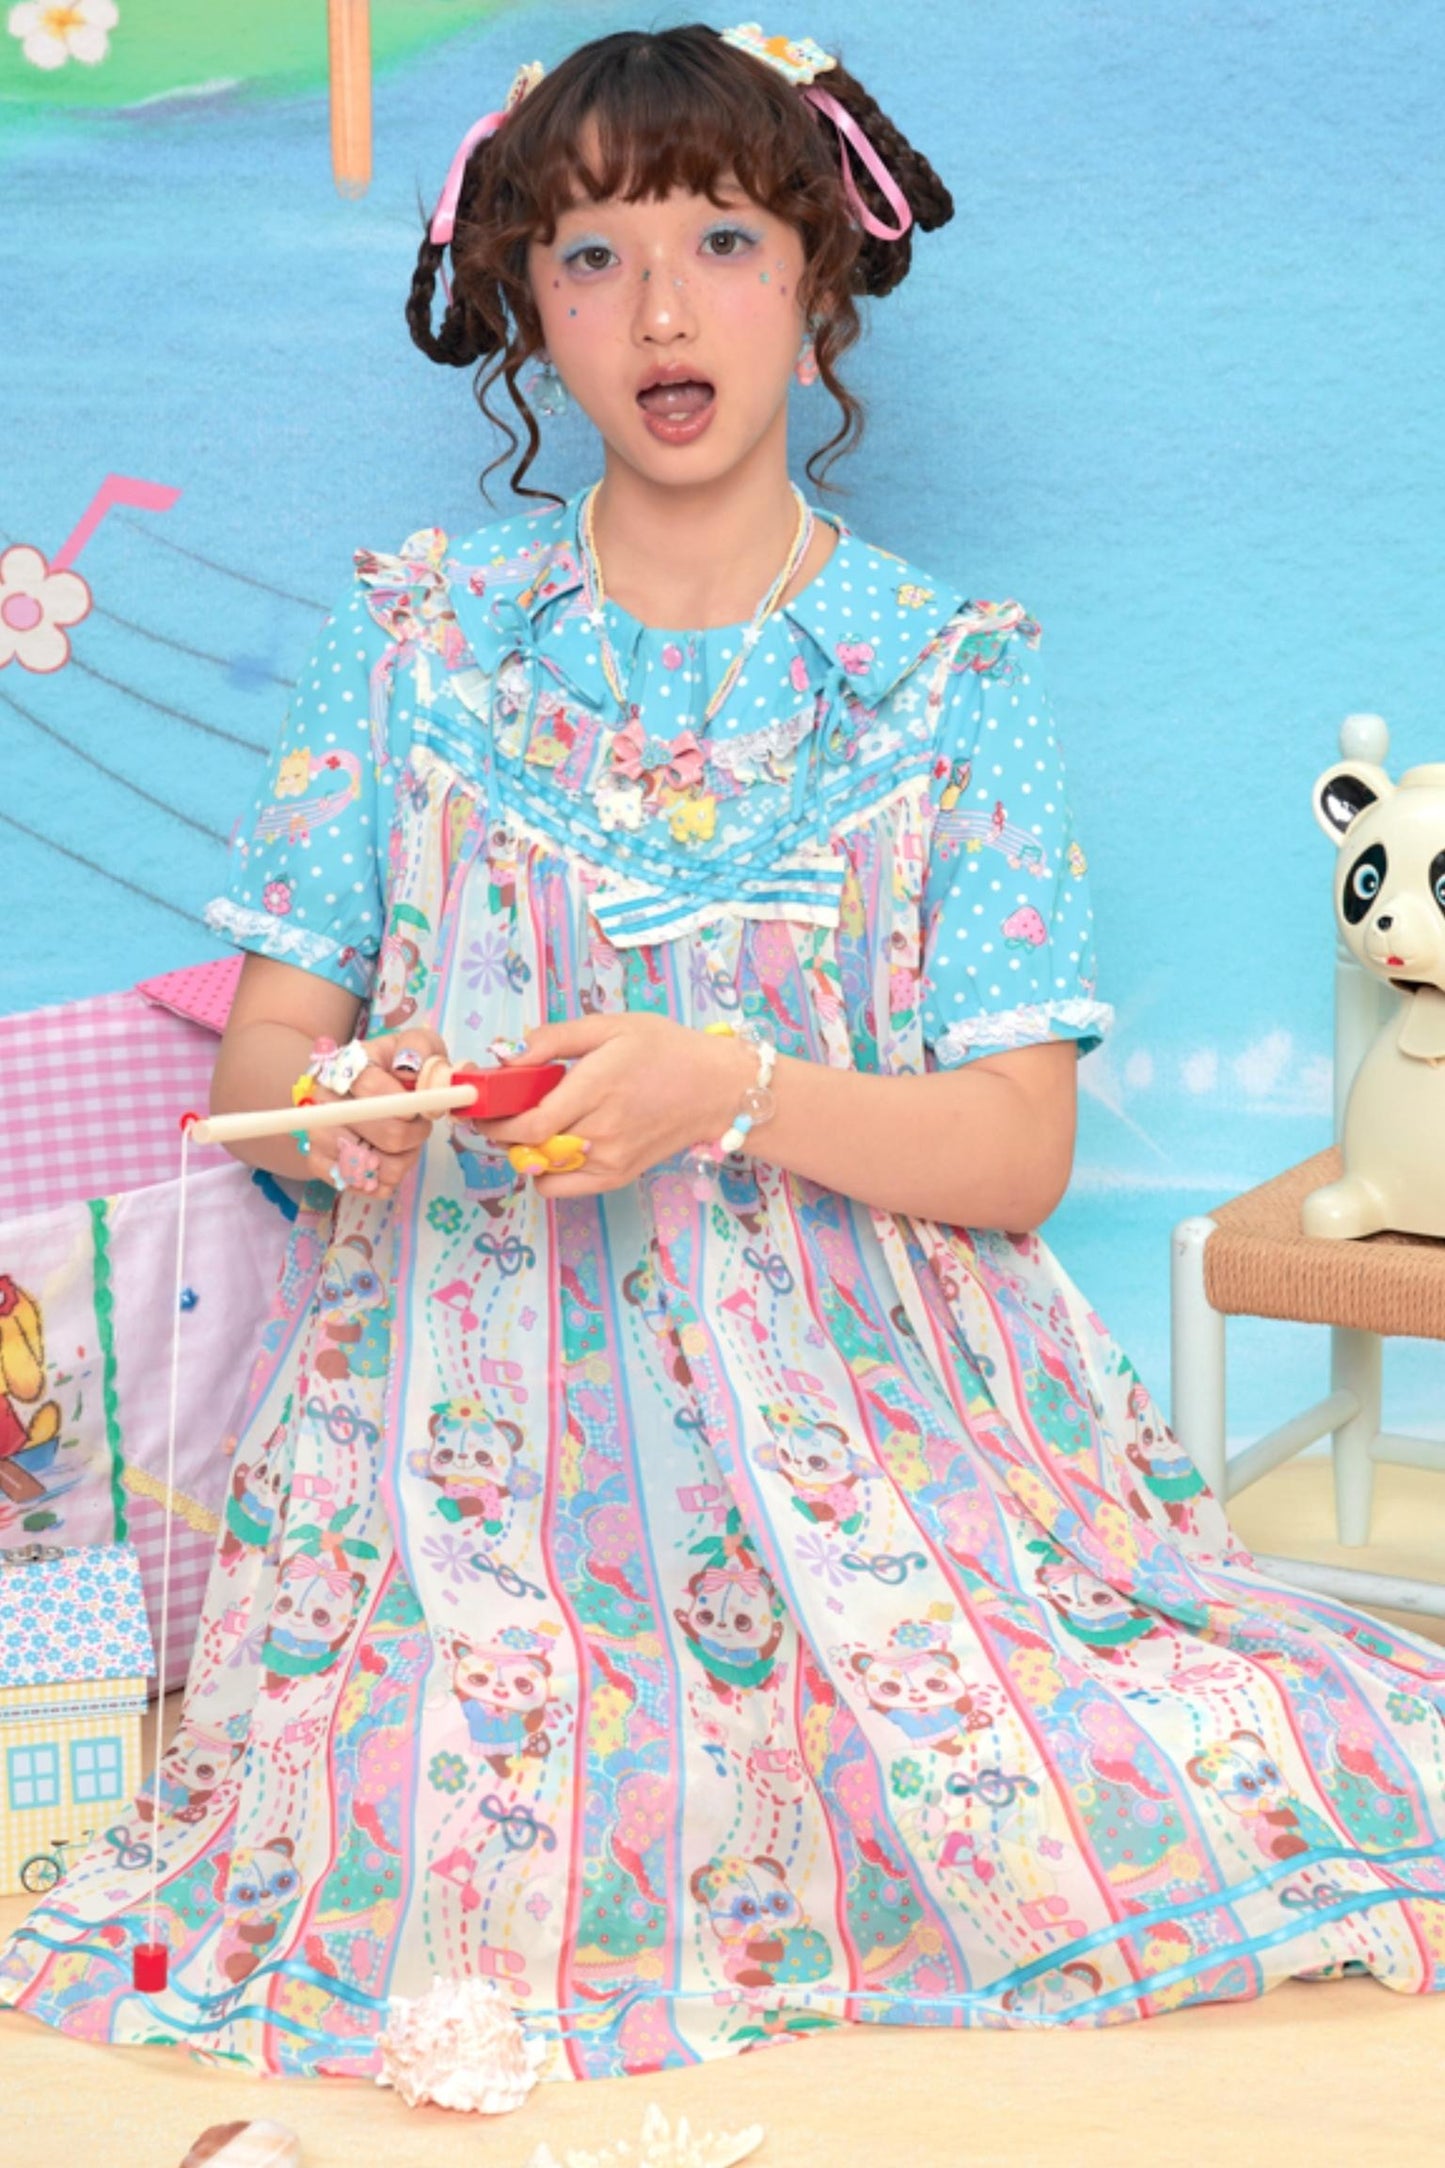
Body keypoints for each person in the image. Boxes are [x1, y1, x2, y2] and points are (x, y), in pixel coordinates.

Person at [5, 21, 1443, 2087]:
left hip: (894, 1437)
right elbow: (264, 1079)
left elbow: (1019, 1151)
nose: (660, 308)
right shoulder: (412, 642)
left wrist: (730, 1093)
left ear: (820, 276)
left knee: (1145, 1765)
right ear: (524, 302)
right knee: (433, 1834)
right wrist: (354, 1118)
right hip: (477, 1438)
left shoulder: (949, 677)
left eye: (722, 240)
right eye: (590, 256)